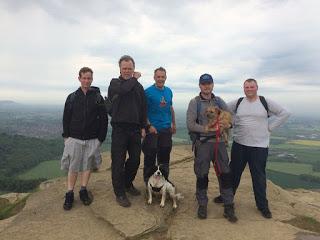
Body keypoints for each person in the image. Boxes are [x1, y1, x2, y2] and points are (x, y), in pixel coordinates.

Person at [226, 78, 289, 218]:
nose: (249, 89)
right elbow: (223, 108)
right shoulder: (238, 102)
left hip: (259, 146)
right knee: (233, 174)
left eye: (251, 87)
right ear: (243, 88)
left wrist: (270, 127)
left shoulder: (265, 102)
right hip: (239, 143)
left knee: (258, 177)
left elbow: (285, 113)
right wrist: (231, 122)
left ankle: (262, 206)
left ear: (257, 87)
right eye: (246, 87)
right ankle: (226, 199)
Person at [186, 73, 237, 222]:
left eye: (209, 83)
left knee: (225, 174)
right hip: (203, 143)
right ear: (200, 86)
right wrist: (208, 130)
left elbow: (230, 117)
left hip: (220, 143)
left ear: (213, 85)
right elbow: (190, 124)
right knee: (202, 174)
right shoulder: (194, 102)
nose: (206, 86)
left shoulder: (219, 101)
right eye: (204, 84)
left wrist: (228, 125)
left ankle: (228, 205)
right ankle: (202, 204)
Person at [61, 67, 108, 210]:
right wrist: (66, 136)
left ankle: (83, 190)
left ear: (92, 79)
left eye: (89, 78)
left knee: (87, 165)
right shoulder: (72, 97)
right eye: (84, 78)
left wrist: (101, 138)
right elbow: (66, 118)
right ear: (79, 78)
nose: (87, 80)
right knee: (73, 166)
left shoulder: (98, 97)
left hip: (93, 138)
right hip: (74, 138)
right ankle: (69, 193)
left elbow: (104, 119)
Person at [107, 55, 147, 207]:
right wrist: (134, 79)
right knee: (118, 162)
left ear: (133, 68)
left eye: (130, 68)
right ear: (120, 69)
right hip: (119, 129)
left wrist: (143, 126)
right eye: (124, 68)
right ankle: (120, 193)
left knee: (135, 160)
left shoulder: (138, 87)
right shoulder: (115, 83)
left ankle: (127, 183)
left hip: (135, 129)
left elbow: (143, 108)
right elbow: (123, 90)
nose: (127, 71)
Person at [143, 67, 176, 184]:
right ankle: (148, 182)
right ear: (154, 77)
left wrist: (174, 123)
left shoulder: (169, 91)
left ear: (165, 78)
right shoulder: (147, 92)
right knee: (150, 157)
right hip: (153, 130)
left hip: (166, 129)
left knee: (164, 157)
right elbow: (143, 111)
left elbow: (170, 108)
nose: (160, 79)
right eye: (158, 77)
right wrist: (148, 126)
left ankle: (164, 180)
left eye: (163, 77)